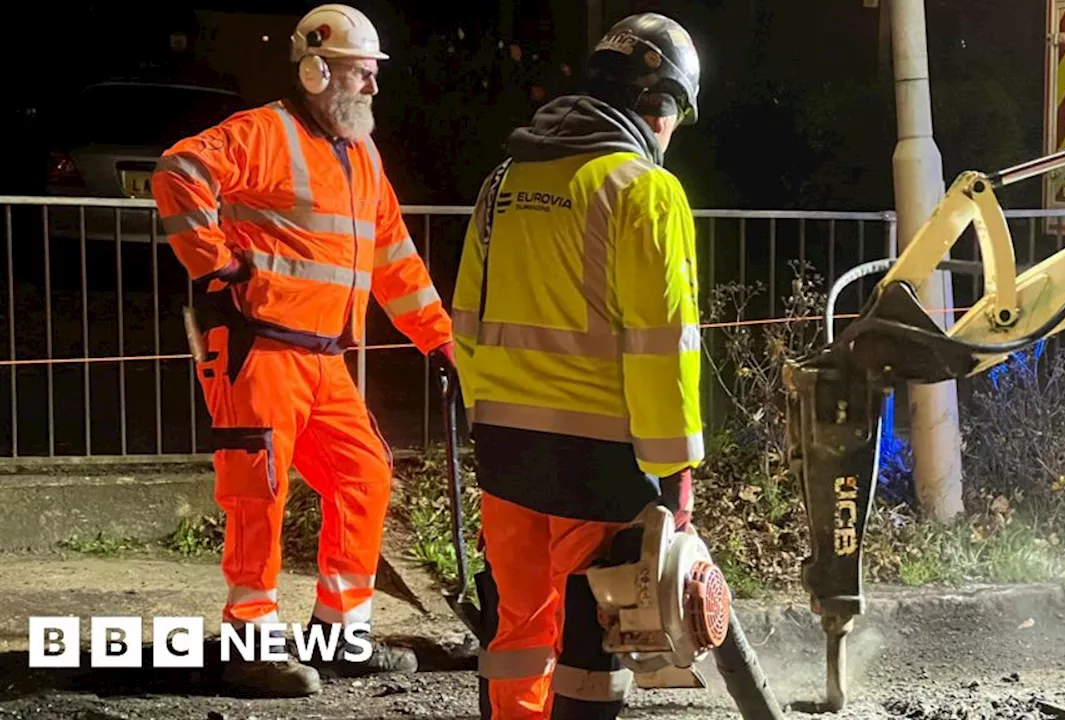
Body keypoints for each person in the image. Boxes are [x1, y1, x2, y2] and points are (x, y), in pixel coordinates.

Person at [151, 3, 453, 697]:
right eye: (362, 73)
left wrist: (441, 340)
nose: (374, 86)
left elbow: (395, 260)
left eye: (375, 73)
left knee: (365, 477)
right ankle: (250, 642)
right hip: (258, 350)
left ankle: (338, 637)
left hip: (323, 360)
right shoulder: (264, 132)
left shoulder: (362, 156)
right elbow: (178, 171)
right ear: (318, 71)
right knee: (259, 491)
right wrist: (216, 265)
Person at [450, 12, 704, 720]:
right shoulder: (644, 192)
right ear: (660, 109)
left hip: (503, 451)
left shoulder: (503, 182)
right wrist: (674, 471)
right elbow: (662, 349)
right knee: (595, 640)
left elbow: (465, 323)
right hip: (601, 462)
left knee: (517, 630)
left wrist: (489, 419)